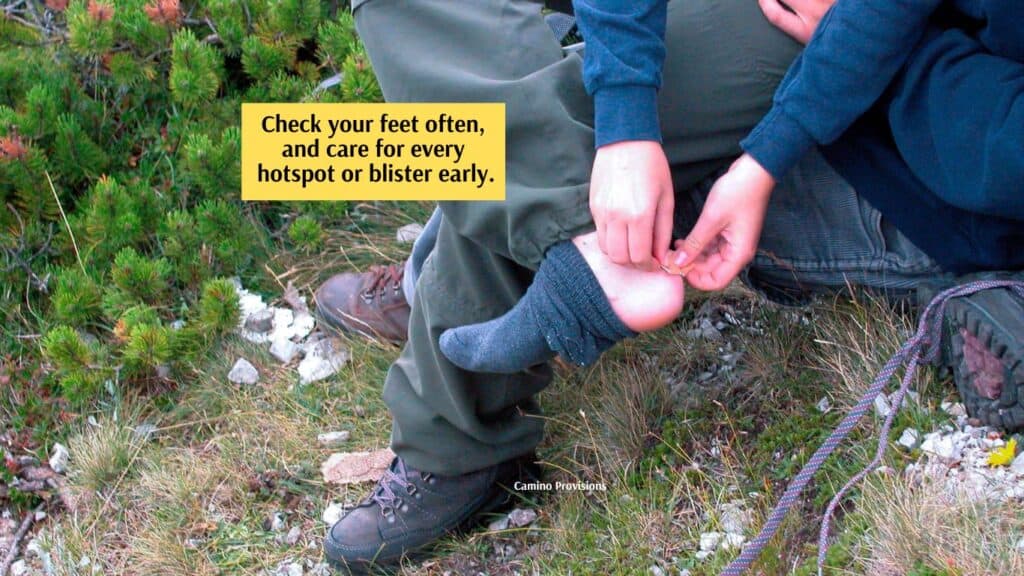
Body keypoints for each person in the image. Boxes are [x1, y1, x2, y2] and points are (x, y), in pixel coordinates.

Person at [315, 0, 1024, 572]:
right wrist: (627, 112)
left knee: (546, 114)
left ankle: (456, 426)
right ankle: (543, 249)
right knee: (493, 65)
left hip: (915, 138)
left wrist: (865, 45)